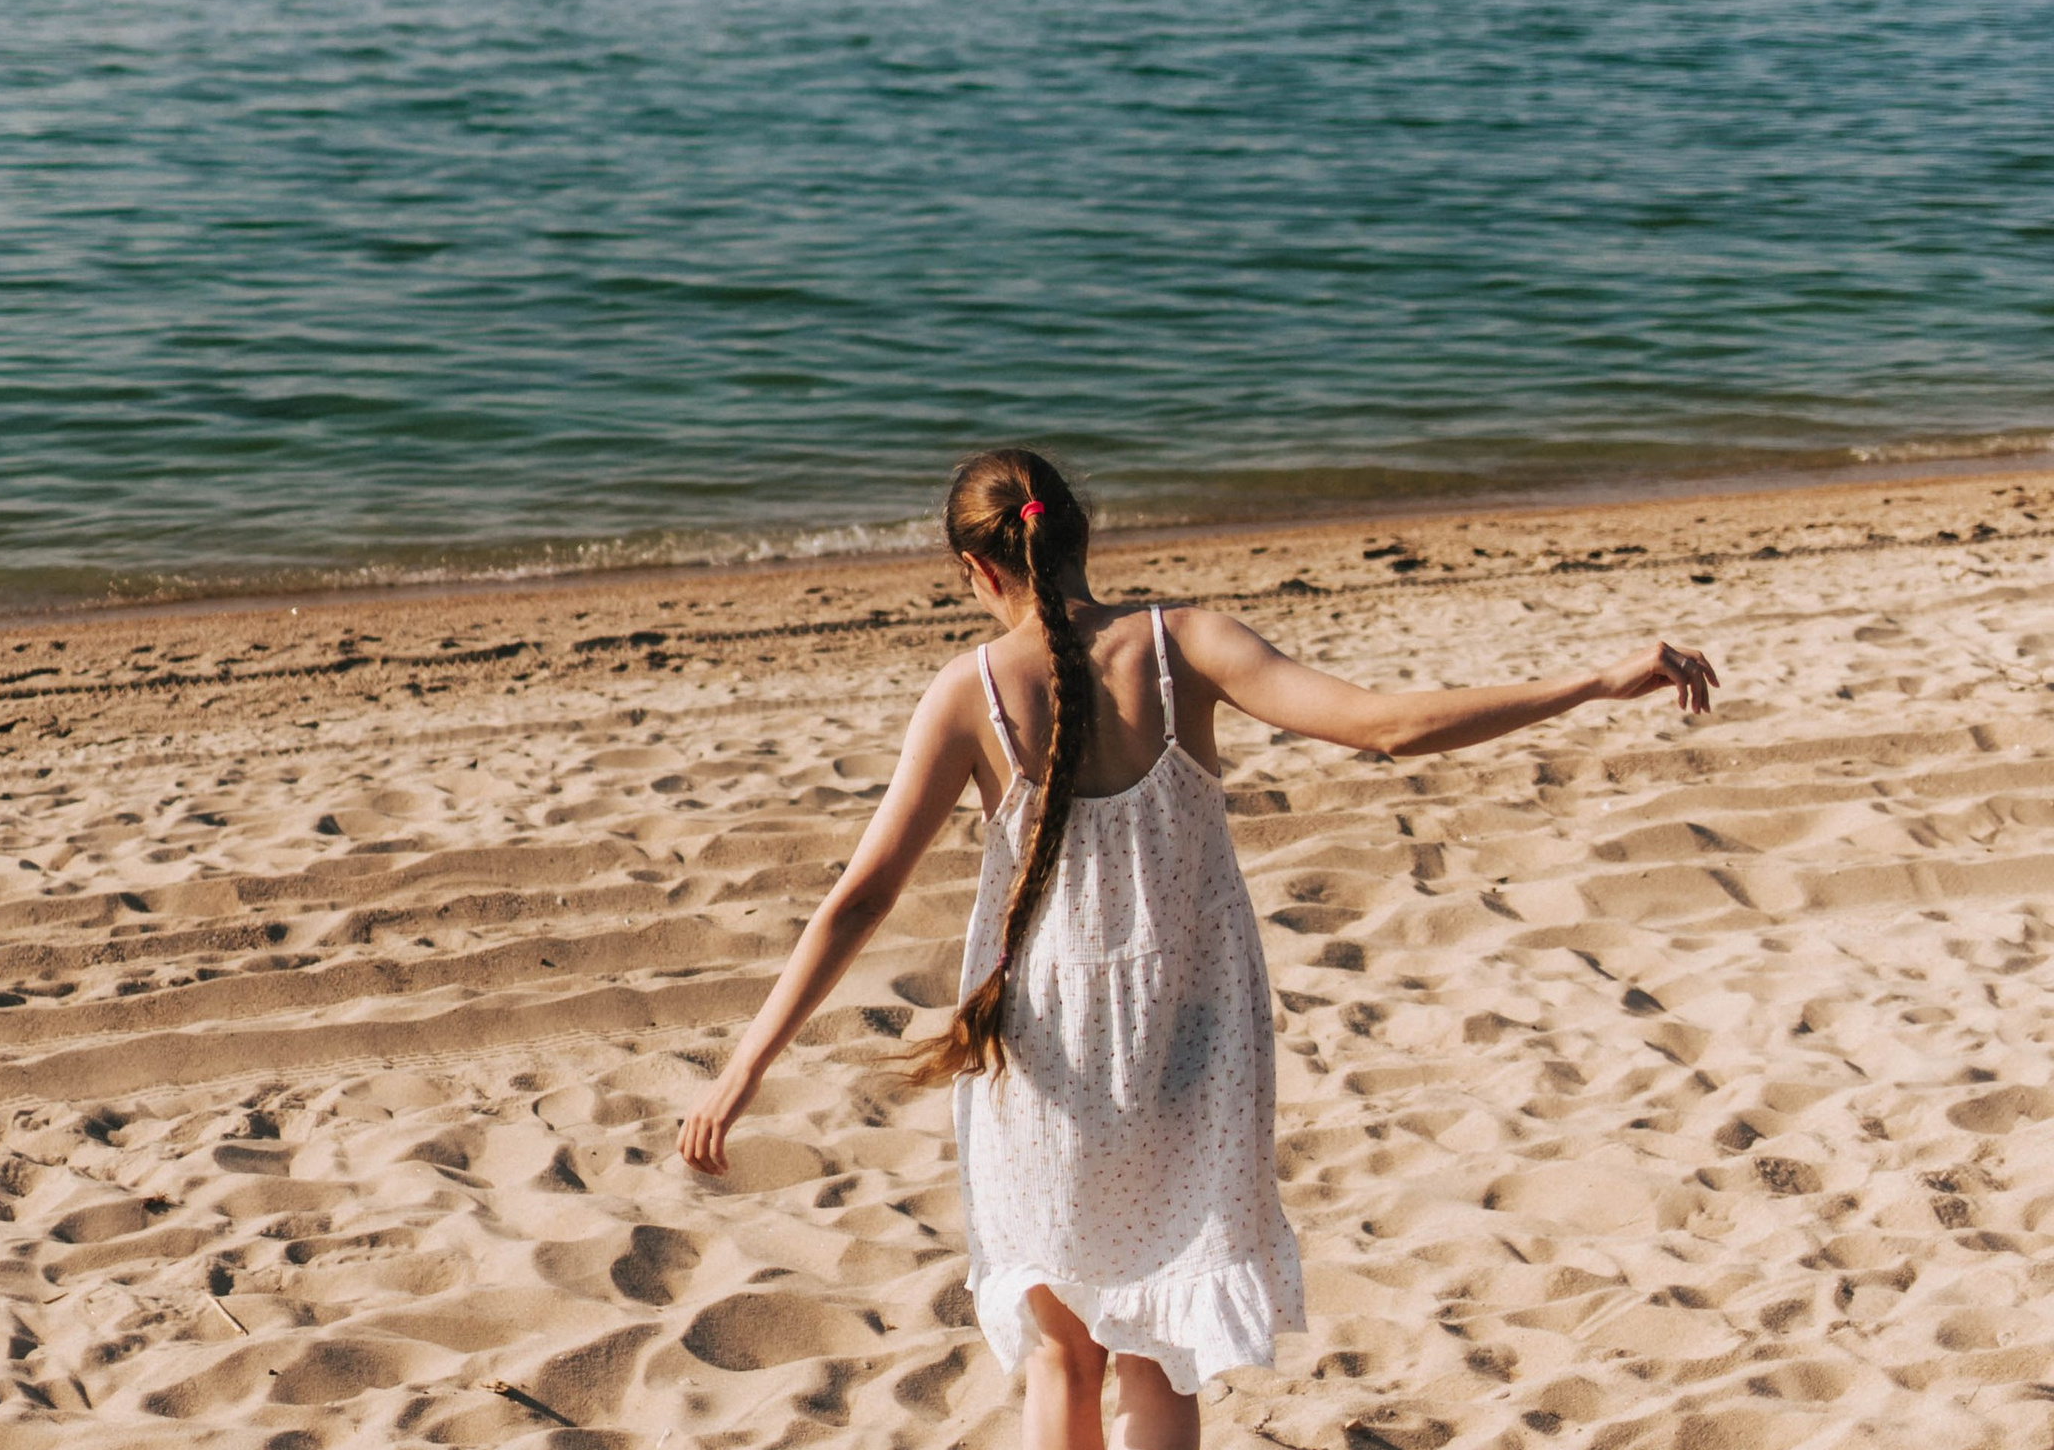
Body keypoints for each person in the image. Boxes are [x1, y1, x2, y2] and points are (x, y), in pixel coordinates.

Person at [678, 448, 1718, 1450]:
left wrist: (743, 1067)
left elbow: (860, 898)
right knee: (1158, 1355)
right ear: (1082, 535)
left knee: (1063, 1359)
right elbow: (1387, 726)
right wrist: (1590, 681)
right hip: (1195, 1041)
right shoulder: (1188, 644)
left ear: (976, 569)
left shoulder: (969, 693)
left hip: (1046, 1053)